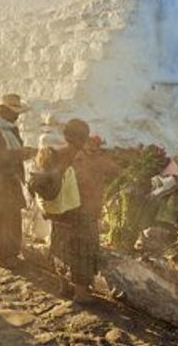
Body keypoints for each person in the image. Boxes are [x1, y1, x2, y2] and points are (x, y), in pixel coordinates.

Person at [37, 119, 119, 303]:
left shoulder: (54, 155)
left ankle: (63, 286)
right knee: (83, 252)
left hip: (59, 212)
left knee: (60, 248)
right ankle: (81, 294)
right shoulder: (89, 159)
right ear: (84, 138)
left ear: (66, 136)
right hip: (82, 213)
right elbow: (116, 172)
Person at [0, 93, 38, 268]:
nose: (17, 116)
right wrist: (22, 153)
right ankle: (1, 255)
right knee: (1, 218)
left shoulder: (9, 128)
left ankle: (11, 253)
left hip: (11, 179)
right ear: (4, 111)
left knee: (13, 217)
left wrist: (25, 153)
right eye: (14, 112)